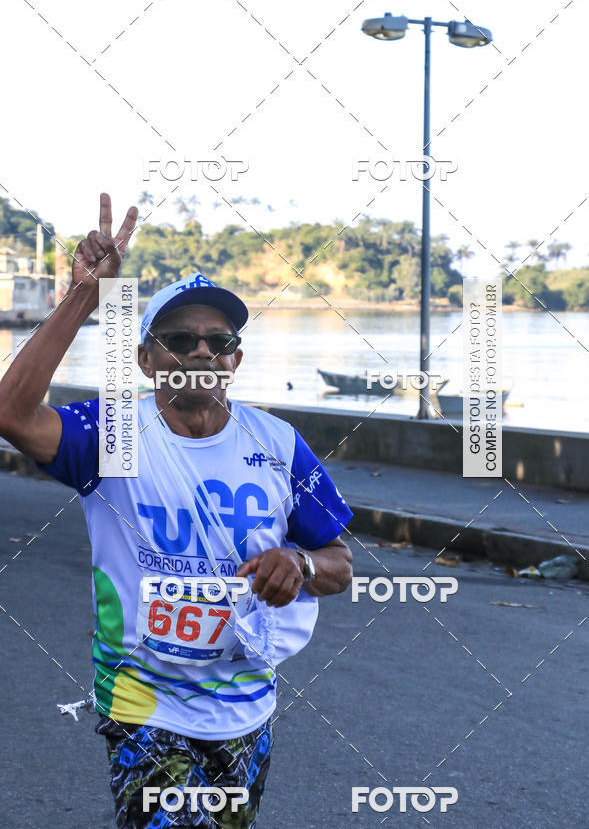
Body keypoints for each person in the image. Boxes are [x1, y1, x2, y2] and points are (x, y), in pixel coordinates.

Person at [0, 193, 353, 828]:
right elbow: (11, 415)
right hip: (141, 702)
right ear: (144, 358)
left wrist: (297, 562)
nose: (201, 352)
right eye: (179, 339)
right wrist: (84, 296)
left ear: (235, 362)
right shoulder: (115, 435)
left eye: (218, 341)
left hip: (246, 705)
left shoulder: (277, 444)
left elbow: (341, 564)